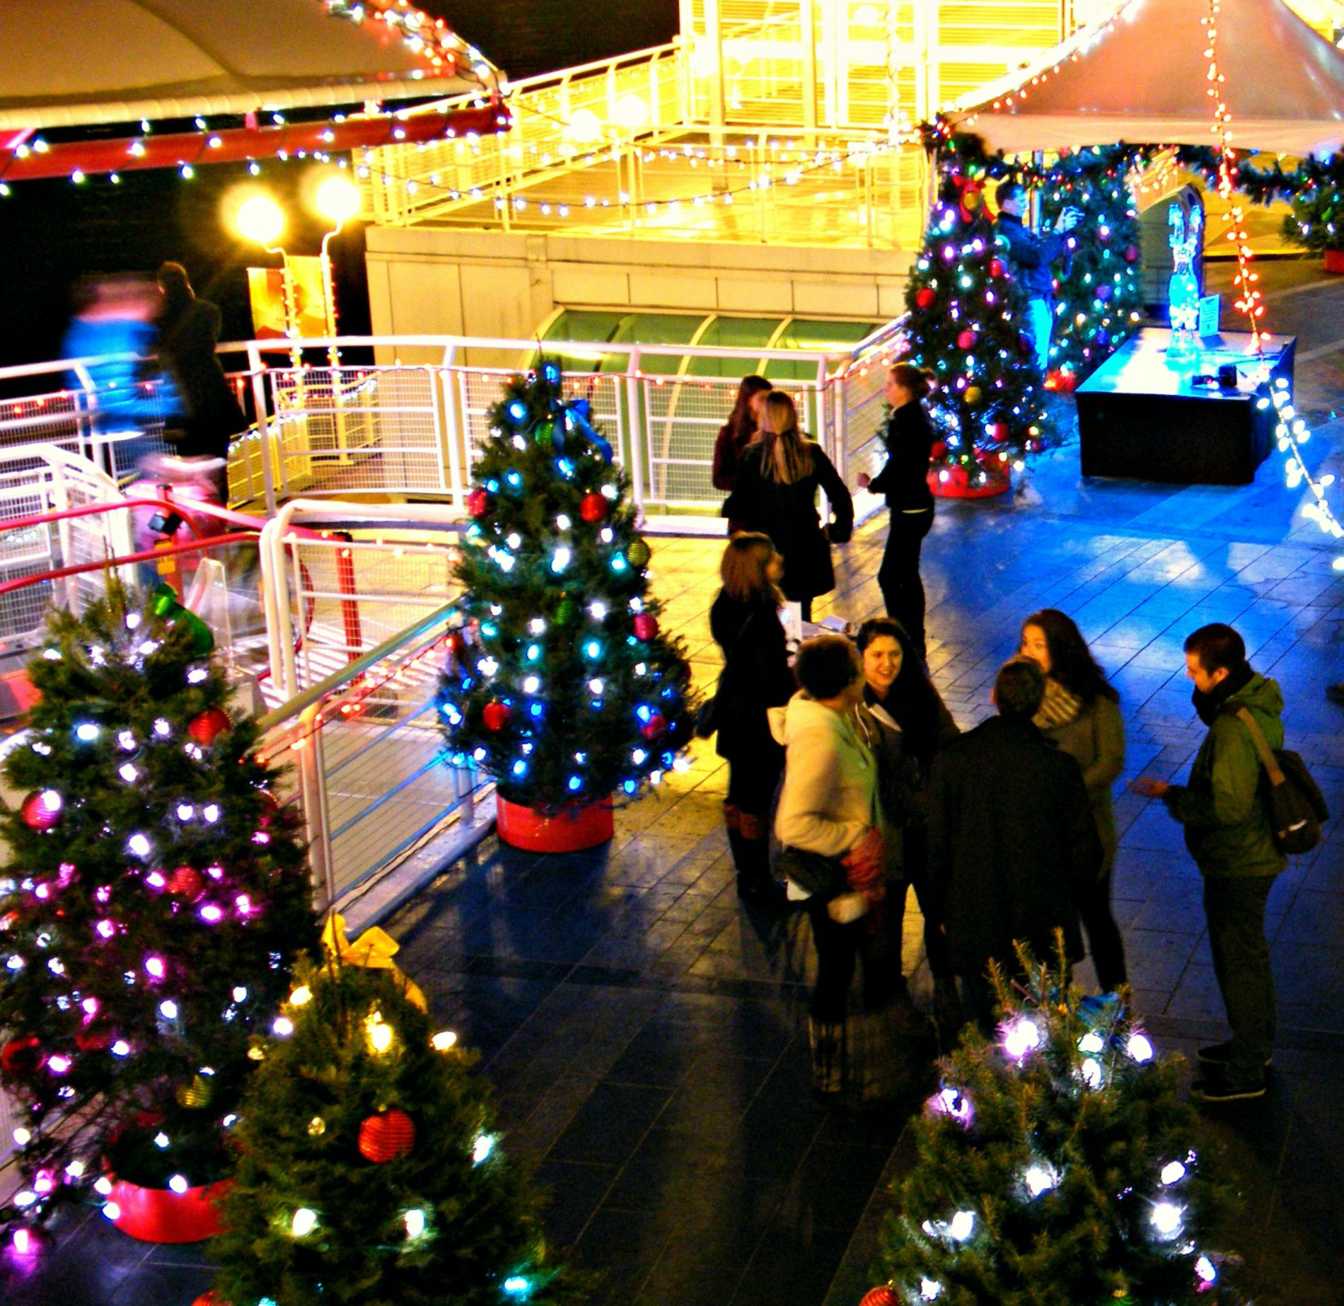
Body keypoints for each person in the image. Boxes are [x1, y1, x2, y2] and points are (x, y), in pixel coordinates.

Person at [1133, 624, 1286, 1104]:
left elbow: (1229, 806)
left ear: (1222, 672)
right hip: (1251, 855)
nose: (1190, 679)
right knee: (1248, 958)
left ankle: (1246, 1072)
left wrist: (1176, 797)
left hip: (1239, 862)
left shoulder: (1232, 726)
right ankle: (1252, 1047)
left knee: (1238, 963)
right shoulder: (1252, 704)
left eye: (1196, 672)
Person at [927, 657, 1103, 1032]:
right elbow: (1085, 853)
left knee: (988, 1026)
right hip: (1042, 930)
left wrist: (941, 911)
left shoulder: (952, 762)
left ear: (993, 697)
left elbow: (936, 847)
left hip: (976, 927)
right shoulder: (1059, 768)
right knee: (1046, 1029)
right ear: (1039, 705)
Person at [770, 635, 888, 1096]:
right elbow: (793, 825)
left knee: (842, 964)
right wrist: (854, 837)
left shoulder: (835, 715)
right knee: (836, 968)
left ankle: (839, 1055)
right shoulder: (821, 736)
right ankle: (828, 1066)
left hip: (847, 872)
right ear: (842, 683)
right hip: (833, 875)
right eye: (856, 665)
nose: (863, 671)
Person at [854, 617, 961, 1037]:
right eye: (877, 655)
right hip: (885, 833)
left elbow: (949, 740)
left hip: (926, 827)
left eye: (895, 654)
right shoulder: (854, 707)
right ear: (861, 657)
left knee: (937, 909)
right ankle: (891, 997)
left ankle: (944, 986)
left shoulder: (920, 693)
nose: (887, 664)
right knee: (888, 914)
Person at [1019, 609, 1128, 993]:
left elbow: (1111, 761)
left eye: (1039, 645)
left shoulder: (1096, 699)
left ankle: (1119, 1005)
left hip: (1088, 833)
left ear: (1061, 649)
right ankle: (1053, 1012)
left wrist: (1067, 792)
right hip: (1041, 838)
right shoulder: (1021, 699)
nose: (1029, 652)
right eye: (1025, 643)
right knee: (1049, 932)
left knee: (1097, 919)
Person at [709, 533, 796, 909]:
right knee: (756, 799)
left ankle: (747, 873)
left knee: (738, 793)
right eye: (771, 557)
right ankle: (758, 879)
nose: (779, 559)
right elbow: (771, 679)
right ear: (756, 569)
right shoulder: (760, 616)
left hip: (733, 711)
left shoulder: (724, 603)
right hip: (758, 723)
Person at [721, 392, 854, 624]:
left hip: (764, 552)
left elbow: (738, 503)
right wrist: (836, 530)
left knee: (765, 617)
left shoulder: (752, 456)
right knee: (800, 619)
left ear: (765, 418)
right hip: (806, 549)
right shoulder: (810, 452)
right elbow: (840, 495)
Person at [856, 365, 937, 659]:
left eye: (890, 384)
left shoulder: (907, 422)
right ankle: (912, 635)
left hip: (910, 508)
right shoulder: (911, 417)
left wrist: (874, 485)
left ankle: (903, 635)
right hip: (915, 506)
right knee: (905, 573)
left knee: (891, 576)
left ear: (904, 389)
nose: (885, 389)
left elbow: (901, 466)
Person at [62, 273, 168, 484]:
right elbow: (112, 403)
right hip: (111, 432)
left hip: (111, 430)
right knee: (159, 469)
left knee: (150, 473)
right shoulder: (110, 331)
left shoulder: (83, 332)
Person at [155, 262, 248, 500]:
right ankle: (220, 518)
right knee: (218, 463)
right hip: (213, 396)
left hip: (181, 403)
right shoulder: (208, 310)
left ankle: (198, 522)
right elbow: (210, 342)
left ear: (161, 288)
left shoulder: (157, 319)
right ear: (186, 283)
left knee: (190, 467)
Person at [994, 180, 1081, 374]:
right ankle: (1033, 400)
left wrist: (1062, 232)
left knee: (1038, 355)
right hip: (1030, 300)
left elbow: (1041, 252)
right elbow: (1036, 256)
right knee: (1034, 357)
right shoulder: (1007, 231)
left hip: (1038, 298)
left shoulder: (1018, 229)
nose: (1025, 204)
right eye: (1021, 200)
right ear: (1007, 204)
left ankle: (1035, 397)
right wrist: (1058, 231)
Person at [712, 375, 772, 494]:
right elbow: (719, 478)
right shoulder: (729, 433)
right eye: (762, 398)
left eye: (769, 398)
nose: (767, 403)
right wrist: (747, 484)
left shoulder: (775, 429)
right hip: (745, 503)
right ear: (748, 400)